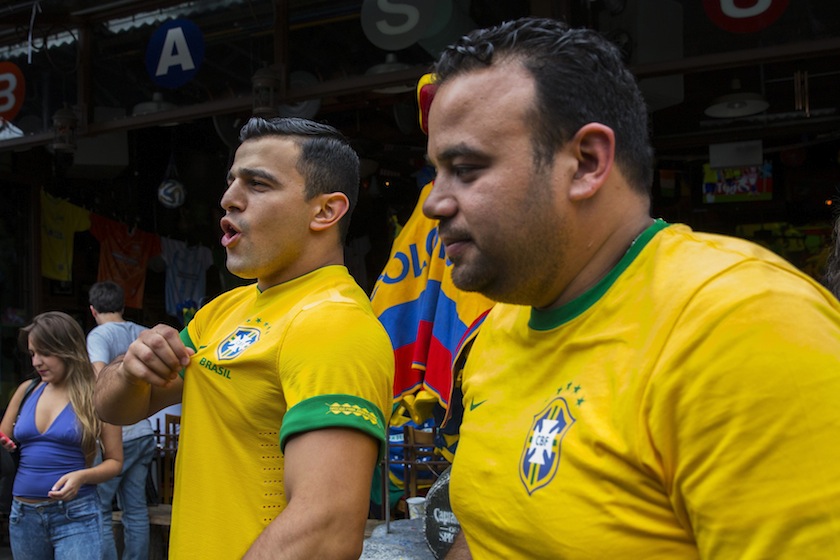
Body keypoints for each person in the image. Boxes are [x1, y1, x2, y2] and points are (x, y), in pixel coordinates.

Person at [420, 17, 840, 559]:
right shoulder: (505, 323)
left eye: (466, 168)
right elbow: (484, 534)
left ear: (587, 163)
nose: (434, 202)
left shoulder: (744, 324)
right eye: (436, 171)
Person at [94, 116, 394, 559]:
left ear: (325, 211)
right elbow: (111, 407)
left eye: (258, 184)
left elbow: (325, 529)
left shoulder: (334, 322)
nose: (228, 199)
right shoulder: (223, 310)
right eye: (232, 181)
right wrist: (131, 370)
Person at [0, 311, 123, 559]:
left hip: (75, 515)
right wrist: (7, 445)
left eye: (45, 353)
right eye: (33, 354)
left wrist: (82, 477)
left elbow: (115, 462)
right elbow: (4, 437)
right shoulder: (27, 390)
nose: (36, 362)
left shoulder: (96, 393)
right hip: (24, 516)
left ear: (66, 349)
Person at [87, 280, 154, 560]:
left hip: (119, 434)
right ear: (123, 306)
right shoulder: (143, 333)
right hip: (144, 430)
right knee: (136, 509)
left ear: (93, 310)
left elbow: (100, 379)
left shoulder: (98, 335)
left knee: (101, 508)